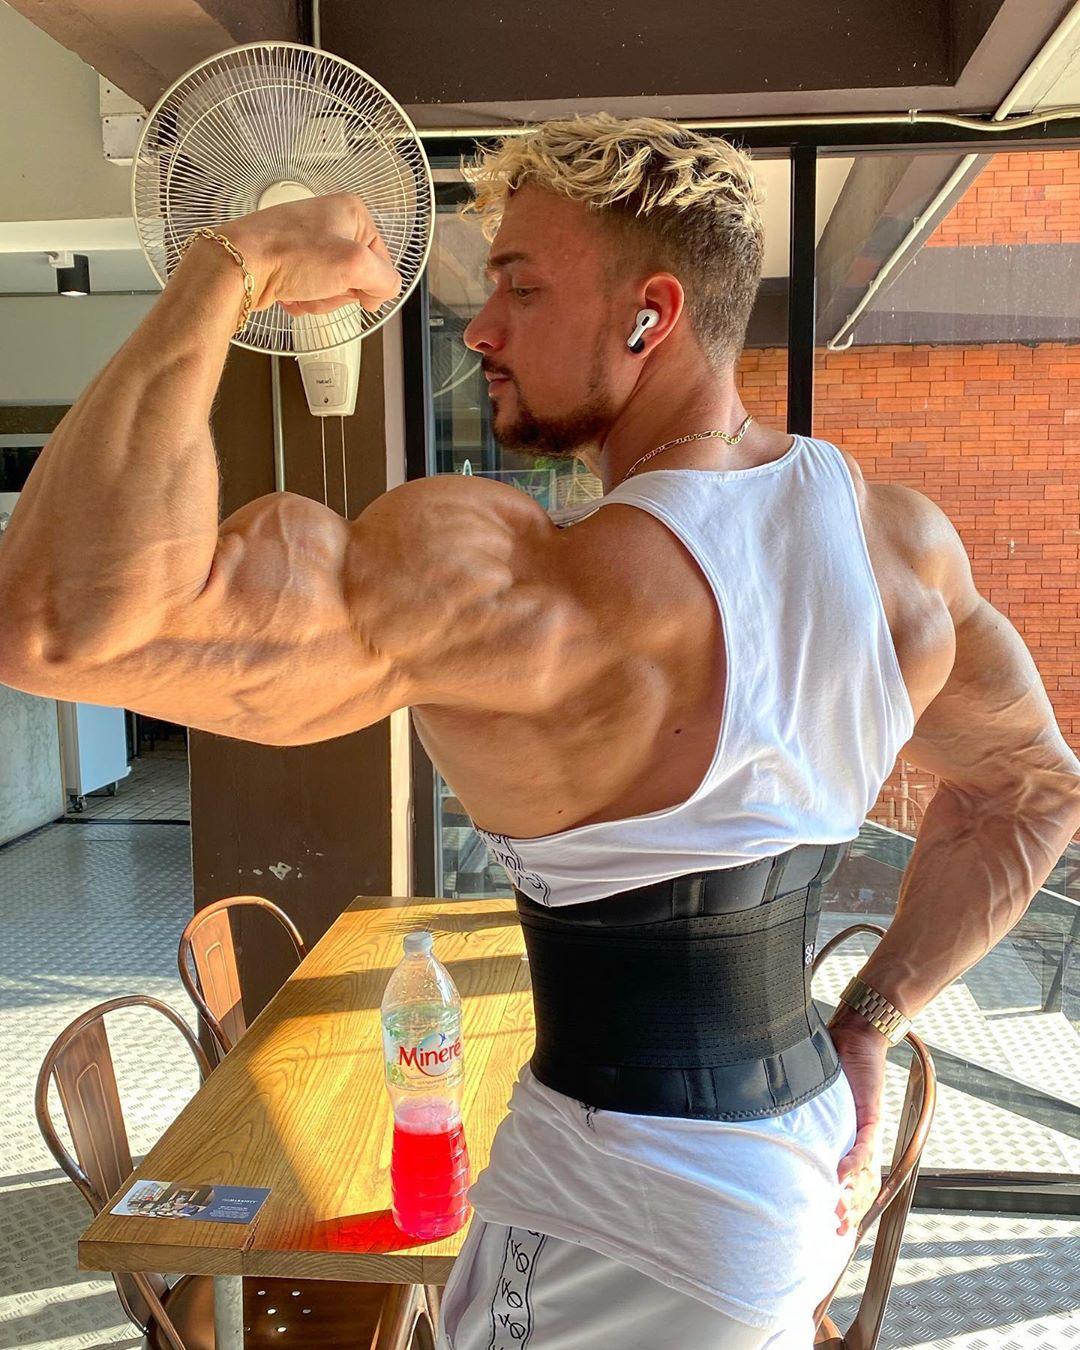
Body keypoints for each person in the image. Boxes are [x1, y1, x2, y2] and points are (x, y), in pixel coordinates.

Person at [1, 113, 1077, 1347]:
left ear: (649, 316)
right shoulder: (902, 550)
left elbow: (58, 625)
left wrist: (231, 264)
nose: (481, 331)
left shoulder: (526, 588)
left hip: (630, 1220)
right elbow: (1033, 791)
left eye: (520, 288)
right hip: (782, 1179)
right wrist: (872, 1020)